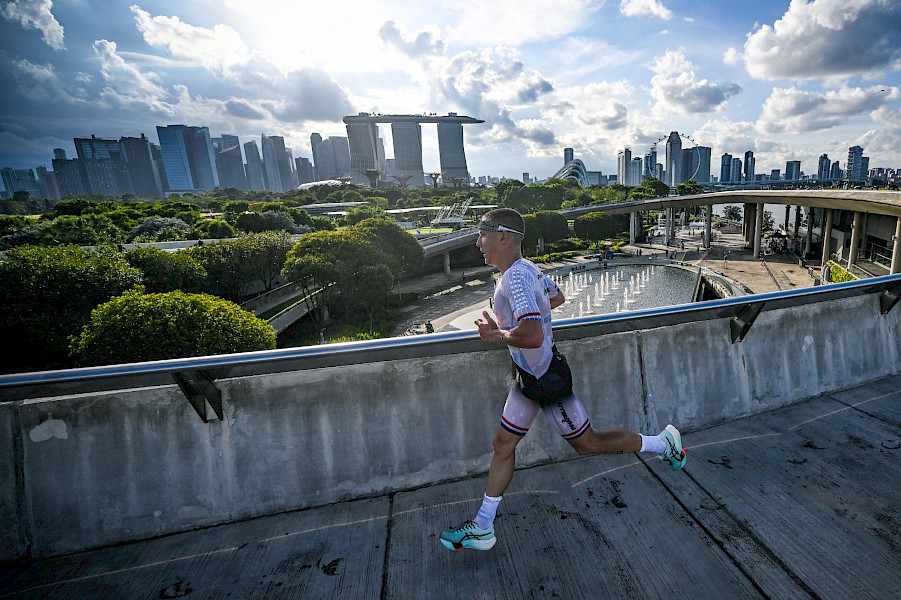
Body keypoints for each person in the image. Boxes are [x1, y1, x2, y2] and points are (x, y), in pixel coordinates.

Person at [439, 208, 687, 552]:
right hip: (528, 378)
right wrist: (522, 321)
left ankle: (664, 444)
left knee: (588, 443)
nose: (478, 242)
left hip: (547, 380)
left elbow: (533, 335)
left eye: (482, 235)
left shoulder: (515, 278)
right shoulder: (526, 270)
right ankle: (482, 526)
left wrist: (498, 335)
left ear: (503, 237)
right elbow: (556, 297)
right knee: (502, 445)